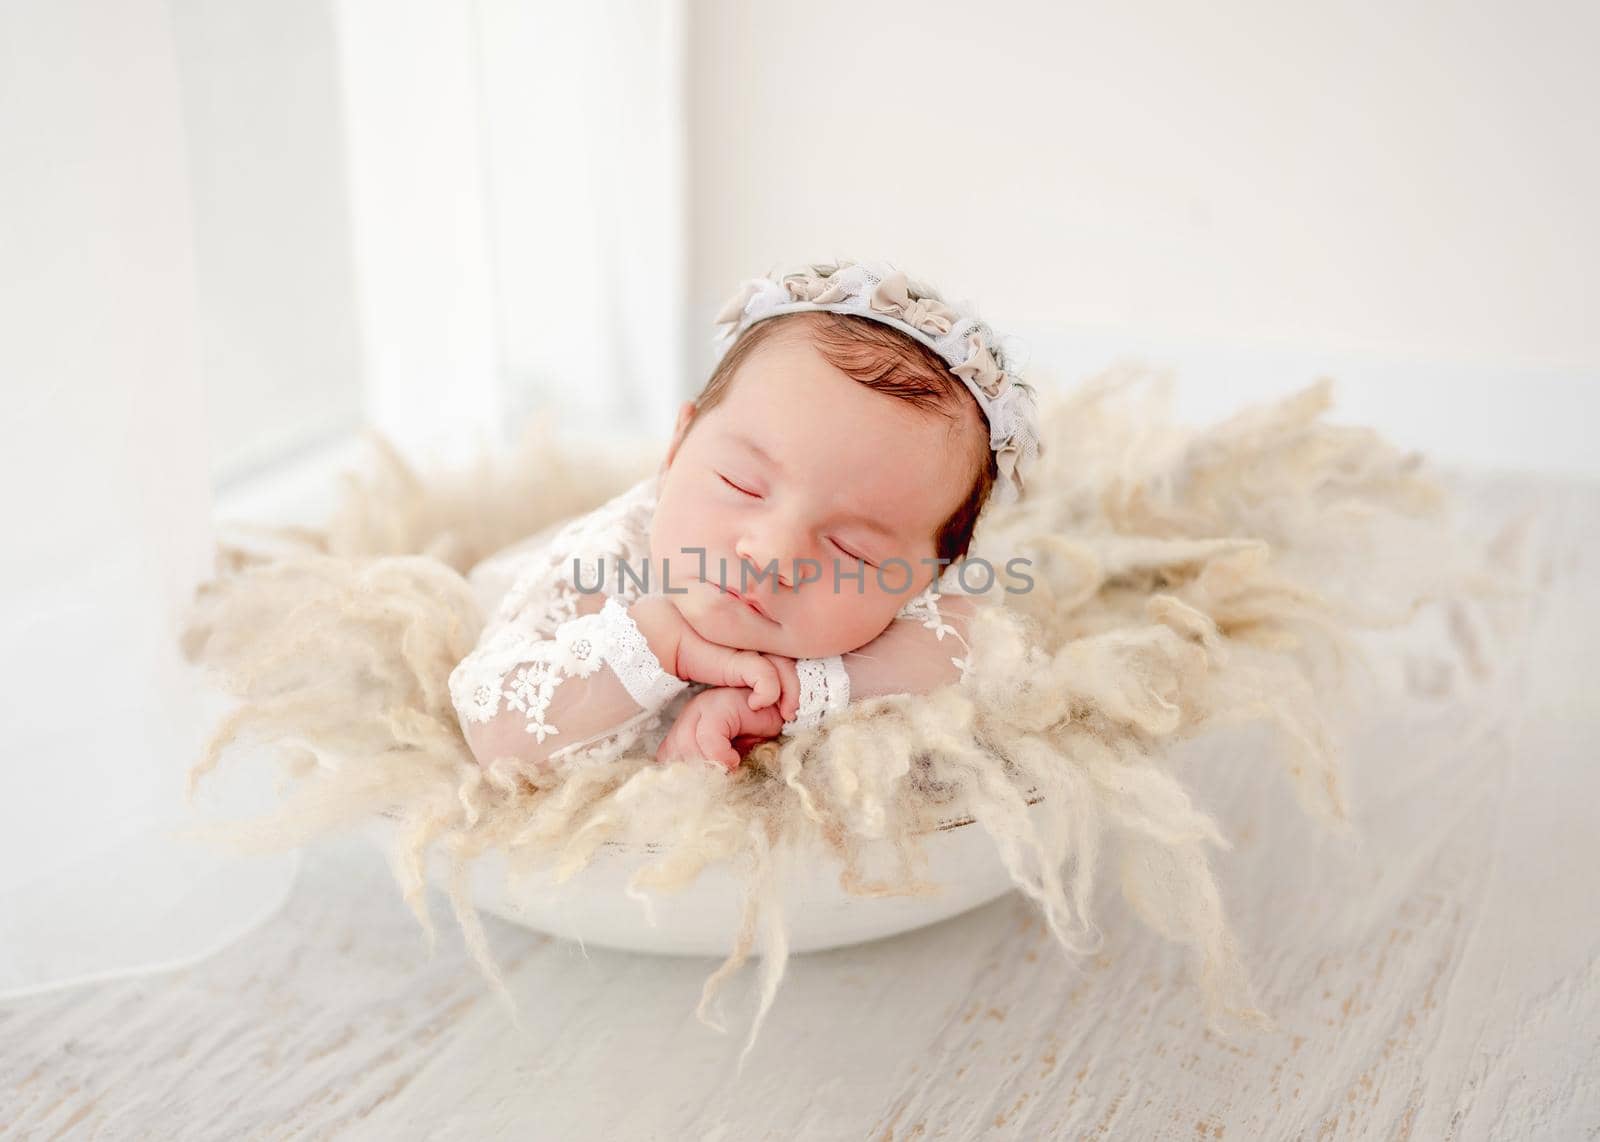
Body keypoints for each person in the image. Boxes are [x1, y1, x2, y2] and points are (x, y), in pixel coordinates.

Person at [448, 259, 1040, 774]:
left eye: (850, 550)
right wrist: (657, 645)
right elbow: (492, 727)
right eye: (741, 484)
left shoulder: (896, 598)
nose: (772, 554)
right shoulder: (607, 563)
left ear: (930, 572)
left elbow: (990, 649)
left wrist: (787, 694)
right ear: (677, 446)